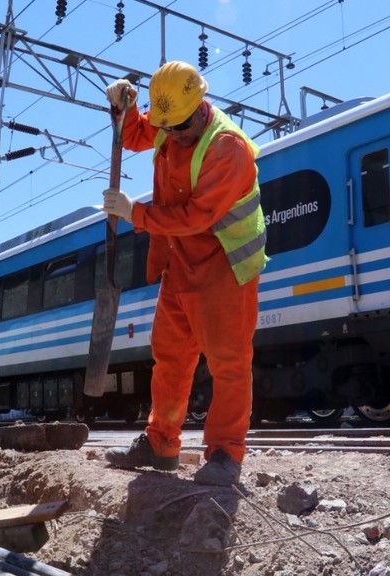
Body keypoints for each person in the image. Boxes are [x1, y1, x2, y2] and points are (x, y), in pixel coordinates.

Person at [101, 61, 267, 487]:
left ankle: (225, 454)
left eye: (175, 127)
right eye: (165, 126)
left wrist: (134, 213)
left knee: (229, 364)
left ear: (199, 109)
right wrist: (124, 107)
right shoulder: (171, 120)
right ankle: (161, 444)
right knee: (169, 358)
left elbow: (197, 216)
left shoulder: (228, 148)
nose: (168, 134)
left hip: (224, 268)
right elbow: (137, 132)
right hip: (179, 265)